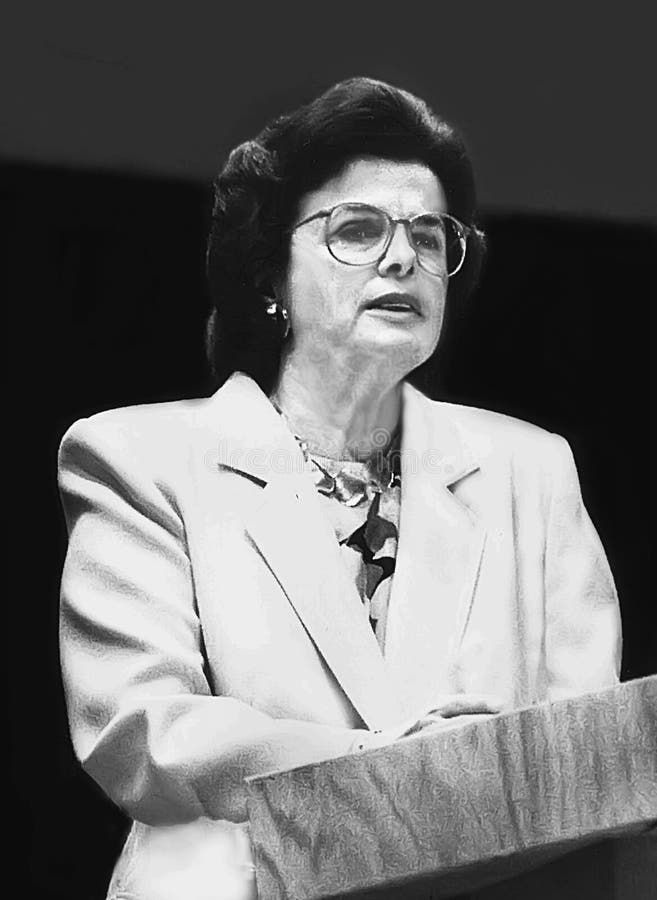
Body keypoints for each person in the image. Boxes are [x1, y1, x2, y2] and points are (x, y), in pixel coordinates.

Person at [58, 77, 621, 900]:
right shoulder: (139, 456)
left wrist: (500, 772)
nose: (403, 257)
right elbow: (141, 732)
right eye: (357, 230)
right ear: (268, 275)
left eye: (429, 237)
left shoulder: (530, 467)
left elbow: (585, 752)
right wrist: (396, 770)